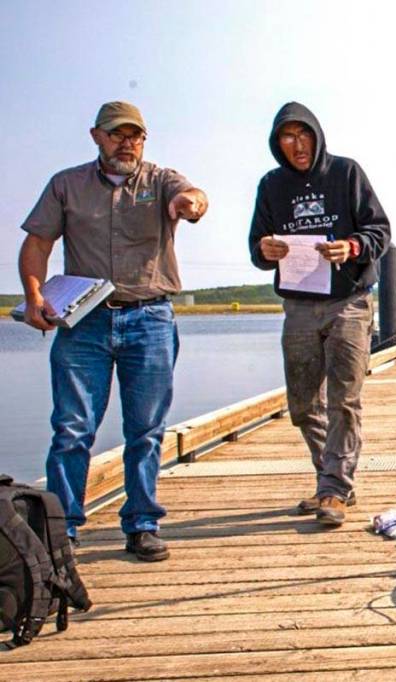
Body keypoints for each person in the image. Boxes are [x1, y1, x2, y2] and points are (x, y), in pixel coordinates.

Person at [18, 101, 208, 562]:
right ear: (96, 137)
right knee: (72, 429)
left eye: (136, 135)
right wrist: (33, 294)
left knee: (146, 429)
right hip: (84, 323)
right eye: (117, 134)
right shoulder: (67, 184)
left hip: (150, 319)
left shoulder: (161, 179)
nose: (128, 142)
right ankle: (63, 532)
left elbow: (194, 197)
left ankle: (142, 522)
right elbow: (38, 242)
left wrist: (191, 204)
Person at [248, 102, 390, 527]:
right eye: (287, 137)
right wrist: (264, 250)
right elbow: (256, 245)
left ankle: (333, 489)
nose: (297, 143)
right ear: (278, 144)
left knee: (343, 399)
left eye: (303, 133)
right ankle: (332, 476)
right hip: (298, 305)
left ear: (317, 134)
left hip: (349, 301)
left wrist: (351, 246)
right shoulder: (270, 185)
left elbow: (379, 229)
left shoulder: (346, 173)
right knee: (303, 403)